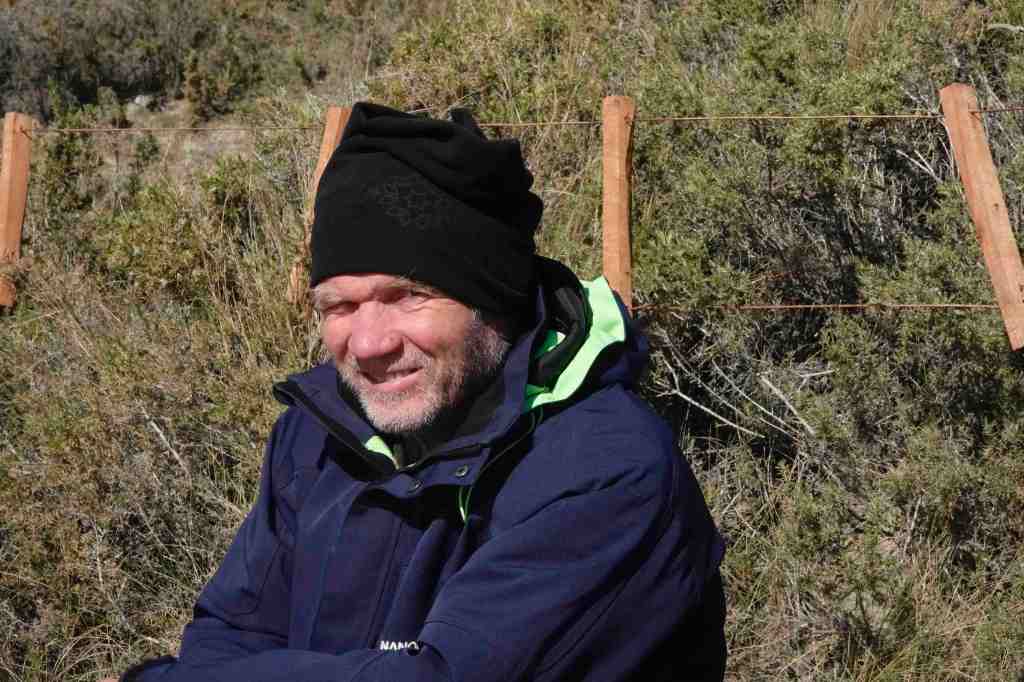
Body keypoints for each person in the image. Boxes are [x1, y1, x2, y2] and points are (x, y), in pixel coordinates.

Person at [111, 103, 727, 682]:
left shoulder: (606, 469)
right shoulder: (317, 435)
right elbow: (234, 632)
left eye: (407, 296)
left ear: (493, 298)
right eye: (339, 306)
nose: (368, 343)